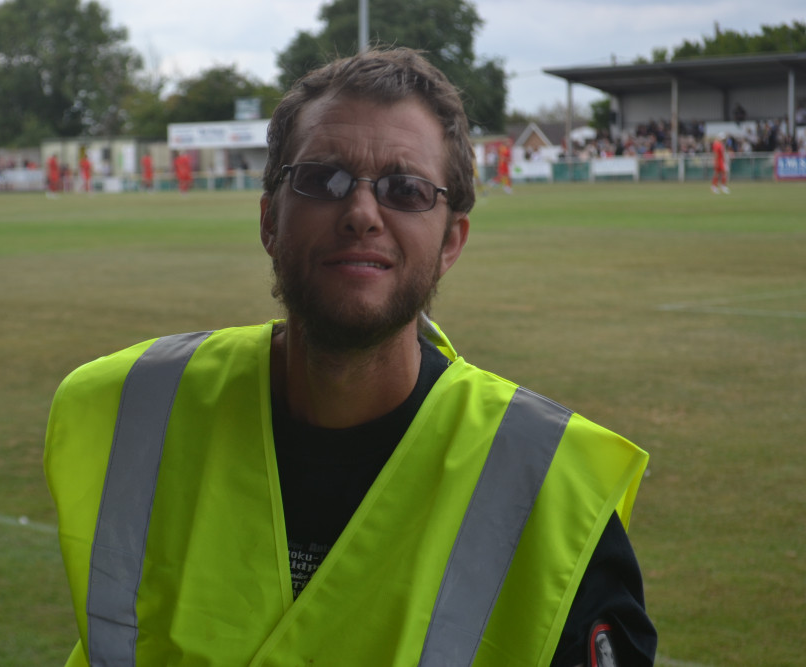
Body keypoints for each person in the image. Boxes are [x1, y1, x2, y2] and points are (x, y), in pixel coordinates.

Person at [45, 48, 656, 667]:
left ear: (451, 242)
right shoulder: (128, 412)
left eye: (406, 189)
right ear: (269, 221)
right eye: (322, 179)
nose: (362, 214)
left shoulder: (552, 493)